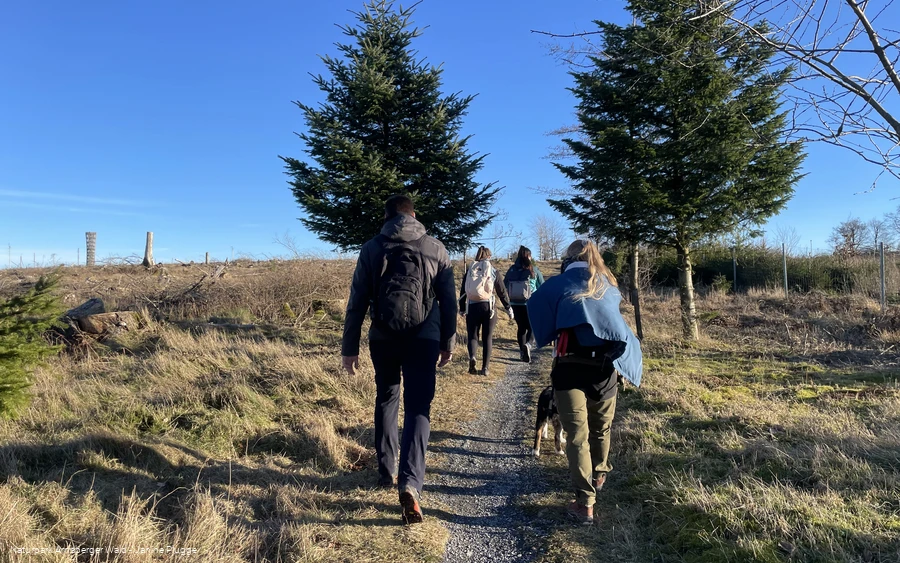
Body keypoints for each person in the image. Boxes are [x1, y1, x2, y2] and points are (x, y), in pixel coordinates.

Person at [341, 194, 457, 525]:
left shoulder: (372, 248)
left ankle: (385, 469)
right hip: (425, 336)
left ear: (387, 215)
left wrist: (349, 348)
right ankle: (410, 484)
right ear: (413, 214)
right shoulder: (436, 248)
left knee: (388, 397)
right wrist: (448, 341)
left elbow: (357, 301)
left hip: (383, 336)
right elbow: (449, 303)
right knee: (419, 406)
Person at [527, 240, 642, 525]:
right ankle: (600, 474)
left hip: (569, 369)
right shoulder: (608, 285)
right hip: (605, 369)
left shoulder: (558, 284)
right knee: (601, 428)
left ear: (568, 258)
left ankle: (585, 504)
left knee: (577, 436)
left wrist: (548, 331)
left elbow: (534, 305)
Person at [459, 246, 513, 376]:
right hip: (488, 307)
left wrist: (462, 308)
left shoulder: (470, 270)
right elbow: (502, 291)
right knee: (487, 337)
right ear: (489, 256)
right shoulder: (493, 270)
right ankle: (485, 368)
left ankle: (472, 357)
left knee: (473, 336)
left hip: (472, 307)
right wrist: (508, 307)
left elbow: (463, 292)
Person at [504, 245, 544, 363]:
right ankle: (528, 345)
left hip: (515, 302)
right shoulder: (534, 269)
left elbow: (505, 284)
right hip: (531, 302)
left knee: (521, 328)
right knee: (532, 326)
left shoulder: (512, 269)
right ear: (529, 256)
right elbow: (542, 285)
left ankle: (522, 351)